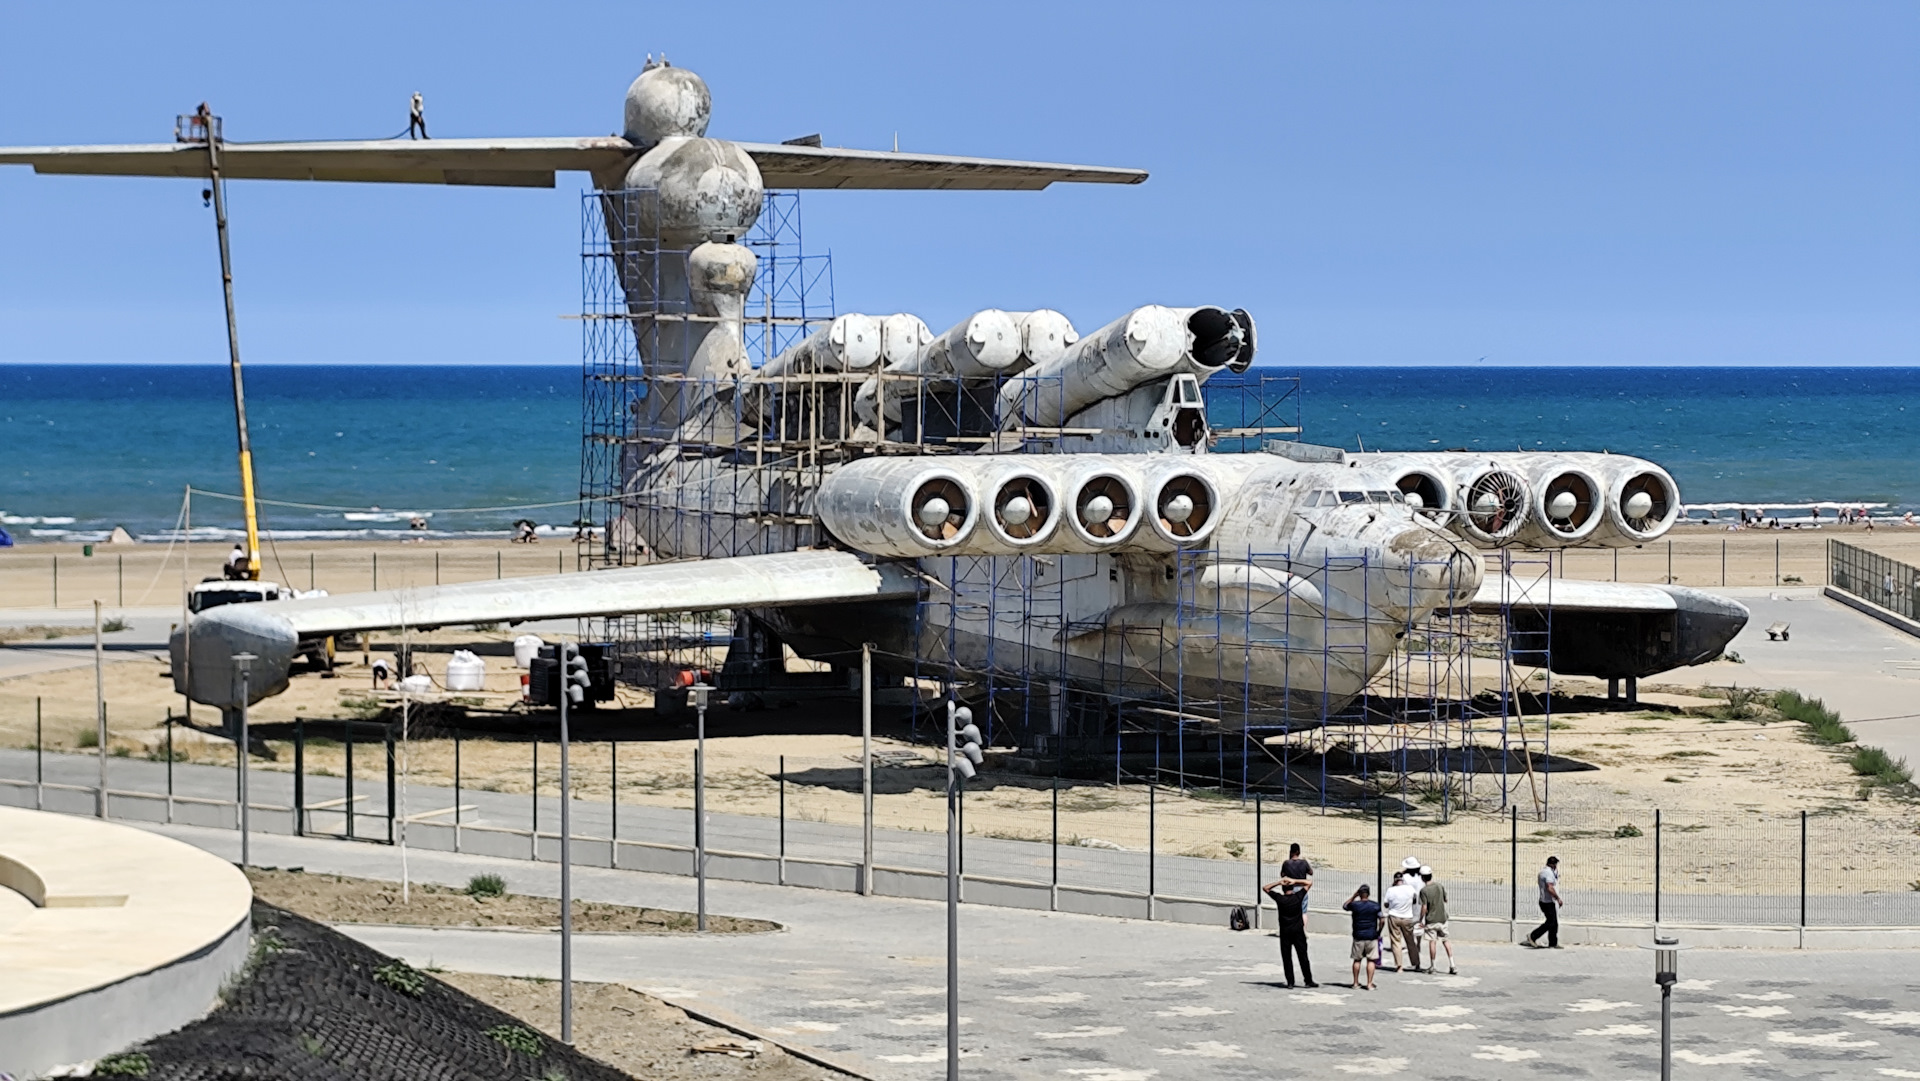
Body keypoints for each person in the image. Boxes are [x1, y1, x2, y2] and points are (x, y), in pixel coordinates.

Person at [1262, 868, 1316, 989]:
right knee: (1303, 956)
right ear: (1292, 888)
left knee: (1287, 957)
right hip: (1298, 931)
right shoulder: (1298, 897)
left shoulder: (1280, 899)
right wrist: (1294, 881)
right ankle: (1308, 980)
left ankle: (1290, 982)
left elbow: (1265, 888)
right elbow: (1309, 883)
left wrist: (1279, 882)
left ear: (1283, 889)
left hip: (1285, 932)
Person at [1418, 866, 1457, 975]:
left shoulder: (1423, 891)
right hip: (1442, 918)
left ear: (1422, 877)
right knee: (1446, 940)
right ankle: (1452, 965)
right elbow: (1445, 899)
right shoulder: (1439, 886)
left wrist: (1420, 919)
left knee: (1432, 941)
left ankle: (1433, 966)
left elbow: (1424, 907)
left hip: (1431, 920)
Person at [1342, 884, 1382, 990]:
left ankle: (1355, 983)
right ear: (1369, 894)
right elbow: (1382, 919)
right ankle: (1369, 984)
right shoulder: (1375, 906)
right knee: (1371, 960)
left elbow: (1345, 906)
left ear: (1360, 894)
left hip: (1358, 935)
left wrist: (1354, 896)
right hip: (1371, 935)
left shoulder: (1355, 905)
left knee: (1357, 960)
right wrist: (1378, 931)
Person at [1382, 869, 1422, 973]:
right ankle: (1416, 963)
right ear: (1402, 880)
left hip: (1394, 916)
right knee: (1410, 941)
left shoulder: (1391, 890)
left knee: (1396, 941)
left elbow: (1386, 904)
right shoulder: (1410, 888)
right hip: (1407, 917)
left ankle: (1399, 966)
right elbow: (1414, 900)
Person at [1526, 855, 1564, 948]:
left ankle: (1553, 943)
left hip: (1545, 901)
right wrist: (1557, 898)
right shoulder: (1548, 873)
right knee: (1550, 922)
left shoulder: (1543, 871)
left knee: (1554, 923)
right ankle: (1533, 936)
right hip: (1547, 902)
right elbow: (1549, 887)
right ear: (1554, 865)